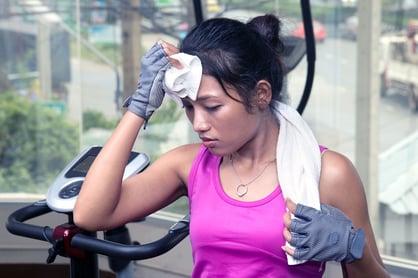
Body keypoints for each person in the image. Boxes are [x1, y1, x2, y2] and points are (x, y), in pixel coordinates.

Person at [73, 14, 390, 278]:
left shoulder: (328, 174)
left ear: (261, 95)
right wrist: (140, 105)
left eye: (212, 106)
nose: (198, 124)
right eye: (188, 107)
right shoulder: (189, 165)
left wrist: (354, 248)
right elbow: (90, 214)